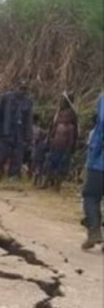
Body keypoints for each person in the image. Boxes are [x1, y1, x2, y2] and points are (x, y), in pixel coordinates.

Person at [0, 80, 34, 185]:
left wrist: (29, 137)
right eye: (21, 88)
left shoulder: (28, 102)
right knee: (0, 155)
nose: (22, 91)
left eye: (24, 89)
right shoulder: (6, 98)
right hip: (6, 131)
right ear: (16, 87)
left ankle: (12, 178)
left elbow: (29, 120)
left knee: (17, 157)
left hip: (19, 133)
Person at [41, 92, 79, 191]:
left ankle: (57, 186)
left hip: (65, 145)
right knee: (50, 163)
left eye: (65, 100)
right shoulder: (58, 113)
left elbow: (74, 134)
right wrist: (50, 139)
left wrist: (71, 148)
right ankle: (47, 182)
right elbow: (52, 128)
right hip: (55, 142)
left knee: (61, 165)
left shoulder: (72, 118)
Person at [81, 92, 104, 251]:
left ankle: (94, 231)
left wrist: (93, 154)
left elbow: (102, 124)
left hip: (100, 163)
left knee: (90, 195)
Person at [30, 113, 48, 186]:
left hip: (33, 149)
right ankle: (37, 181)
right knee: (39, 165)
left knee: (36, 165)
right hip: (36, 149)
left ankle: (35, 181)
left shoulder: (29, 128)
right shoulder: (38, 130)